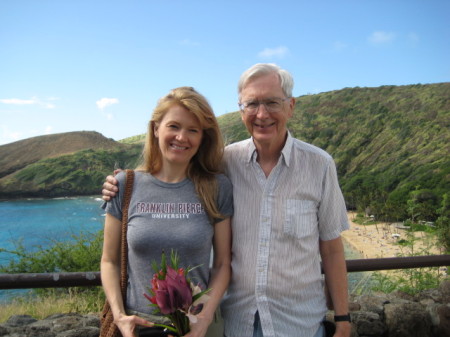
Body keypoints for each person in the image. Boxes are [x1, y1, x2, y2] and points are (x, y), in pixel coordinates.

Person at [103, 64, 351, 337]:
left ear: (290, 106)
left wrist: (342, 319)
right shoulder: (226, 162)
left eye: (272, 103)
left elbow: (331, 249)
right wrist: (122, 183)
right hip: (237, 323)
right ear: (241, 109)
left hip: (298, 324)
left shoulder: (318, 165)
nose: (261, 114)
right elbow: (172, 168)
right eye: (252, 104)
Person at [100, 86, 233, 337]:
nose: (182, 137)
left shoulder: (217, 187)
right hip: (138, 328)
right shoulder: (125, 185)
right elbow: (109, 261)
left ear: (203, 137)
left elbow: (223, 264)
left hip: (197, 327)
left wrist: (204, 318)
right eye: (174, 126)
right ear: (155, 128)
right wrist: (120, 318)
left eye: (192, 130)